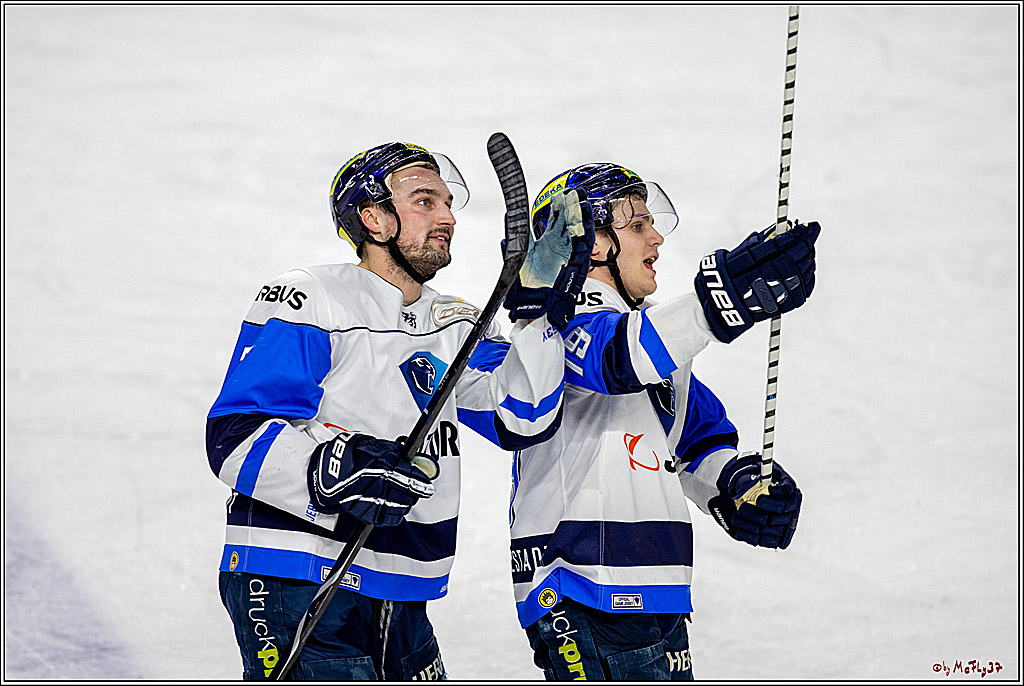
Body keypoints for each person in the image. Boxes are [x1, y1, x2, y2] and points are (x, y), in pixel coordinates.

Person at [206, 141, 593, 680]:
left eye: (448, 203)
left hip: (401, 579)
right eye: (425, 201)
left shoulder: (457, 322)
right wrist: (328, 469)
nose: (448, 217)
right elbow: (234, 434)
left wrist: (536, 308)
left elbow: (521, 416)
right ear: (374, 218)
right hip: (298, 568)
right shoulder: (313, 296)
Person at [505, 163, 820, 680]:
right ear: (591, 243)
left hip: (657, 585)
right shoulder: (551, 325)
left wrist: (736, 484)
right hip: (581, 583)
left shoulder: (654, 342)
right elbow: (616, 359)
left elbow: (694, 438)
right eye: (636, 226)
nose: (656, 238)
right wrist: (719, 305)